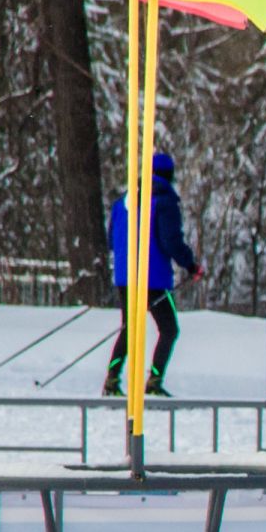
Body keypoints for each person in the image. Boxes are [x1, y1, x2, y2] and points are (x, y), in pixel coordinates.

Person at [105, 150, 202, 398]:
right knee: (169, 328)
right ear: (170, 175)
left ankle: (112, 379)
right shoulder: (164, 202)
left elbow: (111, 240)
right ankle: (155, 380)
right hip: (153, 278)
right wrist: (191, 266)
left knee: (129, 328)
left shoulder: (123, 202)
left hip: (125, 277)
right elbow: (171, 241)